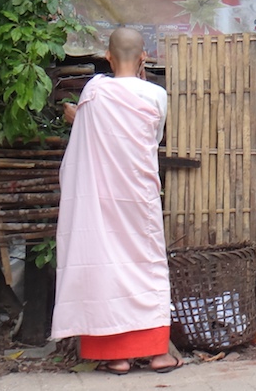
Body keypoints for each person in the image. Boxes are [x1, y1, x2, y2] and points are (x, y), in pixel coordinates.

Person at [51, 27, 183, 375]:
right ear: (144, 58)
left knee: (105, 266)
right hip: (138, 197)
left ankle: (117, 357)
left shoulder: (94, 91)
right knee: (146, 266)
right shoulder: (157, 95)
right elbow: (149, 140)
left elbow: (96, 135)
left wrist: (75, 118)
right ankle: (157, 354)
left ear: (107, 57)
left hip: (102, 198)